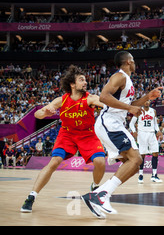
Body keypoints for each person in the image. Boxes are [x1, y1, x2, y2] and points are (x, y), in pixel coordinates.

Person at [81, 51, 162, 219]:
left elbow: (130, 105)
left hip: (116, 123)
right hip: (109, 122)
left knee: (131, 164)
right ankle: (101, 195)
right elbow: (103, 97)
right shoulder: (119, 76)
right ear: (127, 61)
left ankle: (98, 195)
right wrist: (129, 109)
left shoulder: (128, 80)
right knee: (136, 159)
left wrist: (148, 97)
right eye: (133, 60)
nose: (135, 63)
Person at [21, 65, 106, 213]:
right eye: (81, 80)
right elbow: (37, 115)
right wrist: (44, 112)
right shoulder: (62, 100)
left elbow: (106, 104)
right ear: (72, 84)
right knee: (54, 162)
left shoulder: (91, 98)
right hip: (67, 134)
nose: (85, 82)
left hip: (87, 134)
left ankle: (95, 187)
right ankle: (31, 197)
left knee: (100, 161)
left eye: (85, 80)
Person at [129, 100, 163, 183]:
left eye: (148, 101)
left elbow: (155, 123)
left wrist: (158, 130)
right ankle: (140, 175)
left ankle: (154, 175)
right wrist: (134, 131)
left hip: (151, 133)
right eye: (145, 101)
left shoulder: (153, 111)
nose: (147, 102)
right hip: (142, 134)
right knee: (142, 155)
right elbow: (131, 123)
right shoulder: (139, 111)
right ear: (143, 102)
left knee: (155, 153)